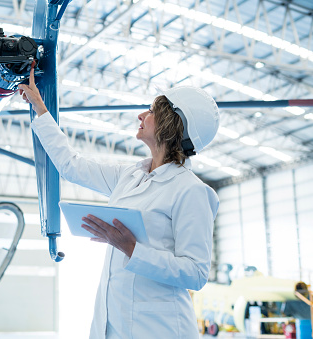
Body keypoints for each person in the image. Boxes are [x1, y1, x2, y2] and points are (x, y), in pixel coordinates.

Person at [19, 68, 220, 339]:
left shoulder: (191, 191)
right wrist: (40, 108)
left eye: (151, 111)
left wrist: (131, 248)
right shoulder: (130, 176)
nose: (141, 115)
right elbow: (71, 165)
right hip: (112, 323)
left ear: (171, 123)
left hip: (160, 330)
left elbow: (196, 273)